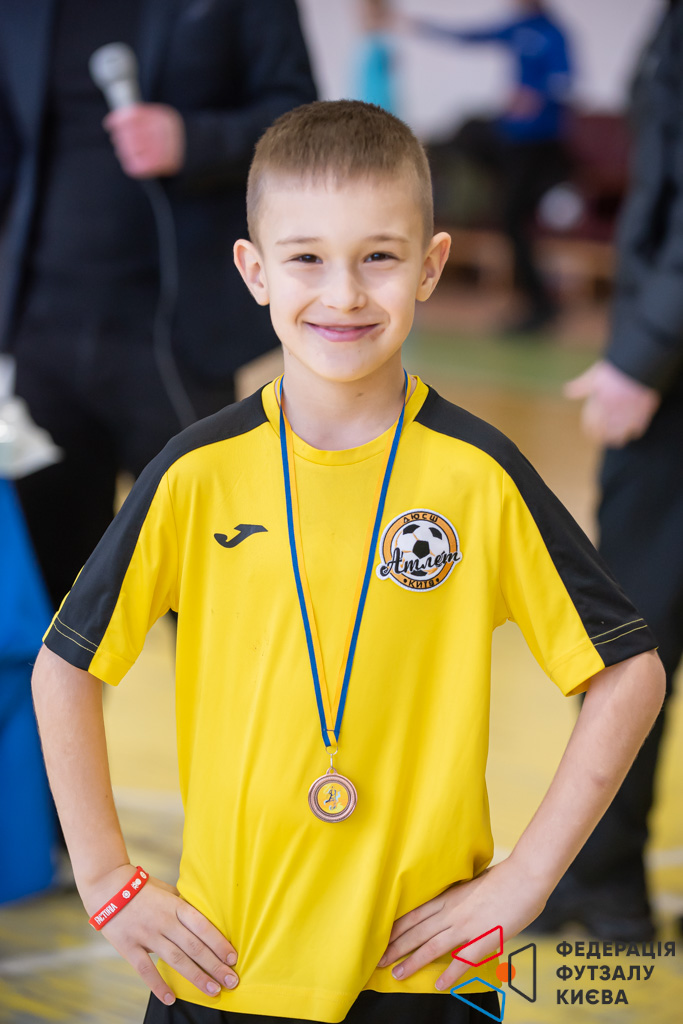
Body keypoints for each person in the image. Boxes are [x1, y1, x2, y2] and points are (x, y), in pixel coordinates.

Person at [31, 100, 664, 1024]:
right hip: (226, 967)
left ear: (431, 266)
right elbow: (64, 667)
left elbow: (629, 672)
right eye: (305, 258)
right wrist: (105, 880)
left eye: (378, 257)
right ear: (253, 270)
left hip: (431, 975)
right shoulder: (197, 472)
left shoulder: (477, 475)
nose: (344, 295)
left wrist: (525, 879)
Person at [0, 0, 316, 612]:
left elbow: (302, 119)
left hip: (174, 338)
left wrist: (193, 139)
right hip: (41, 334)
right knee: (50, 610)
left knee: (212, 600)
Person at [534, 0, 683, 942]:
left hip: (669, 374)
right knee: (630, 629)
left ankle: (600, 882)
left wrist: (642, 353)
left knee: (630, 629)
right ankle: (600, 878)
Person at [404, 0, 573, 334]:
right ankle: (538, 301)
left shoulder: (553, 34)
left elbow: (564, 80)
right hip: (512, 142)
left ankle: (541, 304)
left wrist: (535, 96)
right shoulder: (517, 27)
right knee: (469, 132)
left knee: (512, 217)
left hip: (540, 146)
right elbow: (471, 36)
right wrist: (419, 25)